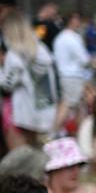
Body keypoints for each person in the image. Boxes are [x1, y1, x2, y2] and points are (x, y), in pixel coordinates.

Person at [0, 11, 58, 146]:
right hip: (43, 109)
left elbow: (7, 85)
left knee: (21, 155)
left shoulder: (14, 55)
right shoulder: (41, 50)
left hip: (21, 113)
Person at [52, 12, 91, 129]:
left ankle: (82, 133)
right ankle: (52, 133)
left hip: (64, 74)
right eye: (77, 19)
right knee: (67, 104)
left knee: (79, 106)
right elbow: (84, 59)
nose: (79, 22)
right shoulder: (72, 38)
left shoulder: (60, 37)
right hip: (73, 75)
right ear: (72, 21)